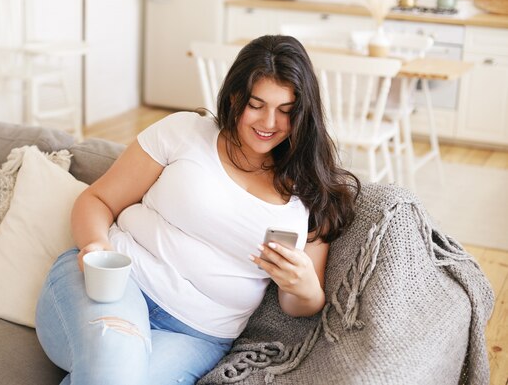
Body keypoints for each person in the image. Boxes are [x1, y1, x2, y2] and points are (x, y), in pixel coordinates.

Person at [34, 35, 360, 385]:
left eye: (286, 111)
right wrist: (96, 247)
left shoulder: (311, 191)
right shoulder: (184, 132)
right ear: (235, 97)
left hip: (195, 336)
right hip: (117, 284)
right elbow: (96, 200)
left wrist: (305, 286)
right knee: (115, 363)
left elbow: (300, 304)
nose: (269, 123)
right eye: (256, 104)